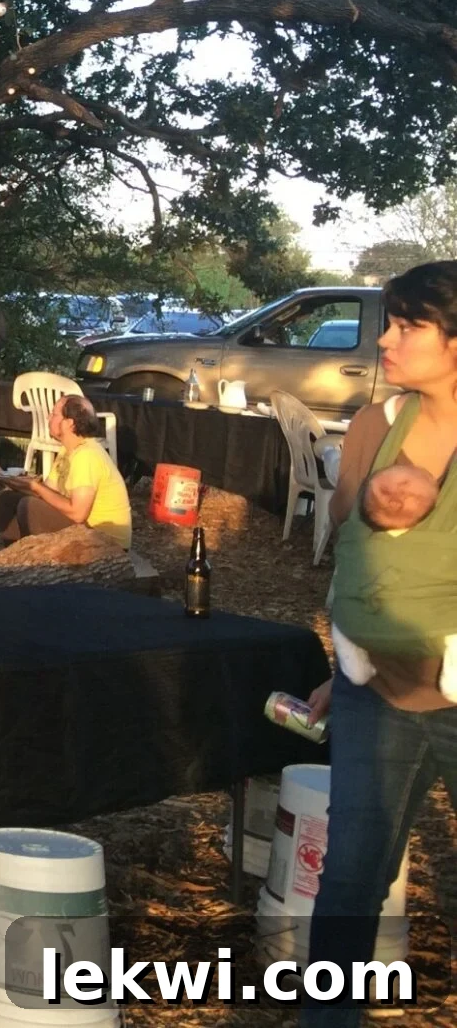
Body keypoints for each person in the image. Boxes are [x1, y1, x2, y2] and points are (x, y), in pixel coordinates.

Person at [302, 262, 457, 1027]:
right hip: (374, 687)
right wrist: (344, 666)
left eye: (407, 325)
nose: (386, 339)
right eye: (388, 322)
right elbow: (355, 559)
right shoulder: (373, 425)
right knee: (350, 877)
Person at [0, 394, 132, 548]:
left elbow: (77, 514)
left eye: (54, 414)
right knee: (7, 500)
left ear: (69, 424)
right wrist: (2, 475)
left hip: (104, 543)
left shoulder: (87, 455)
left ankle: (39, 561)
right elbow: (47, 492)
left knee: (30, 507)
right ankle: (15, 555)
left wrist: (37, 487)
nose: (49, 418)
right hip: (85, 530)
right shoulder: (67, 451)